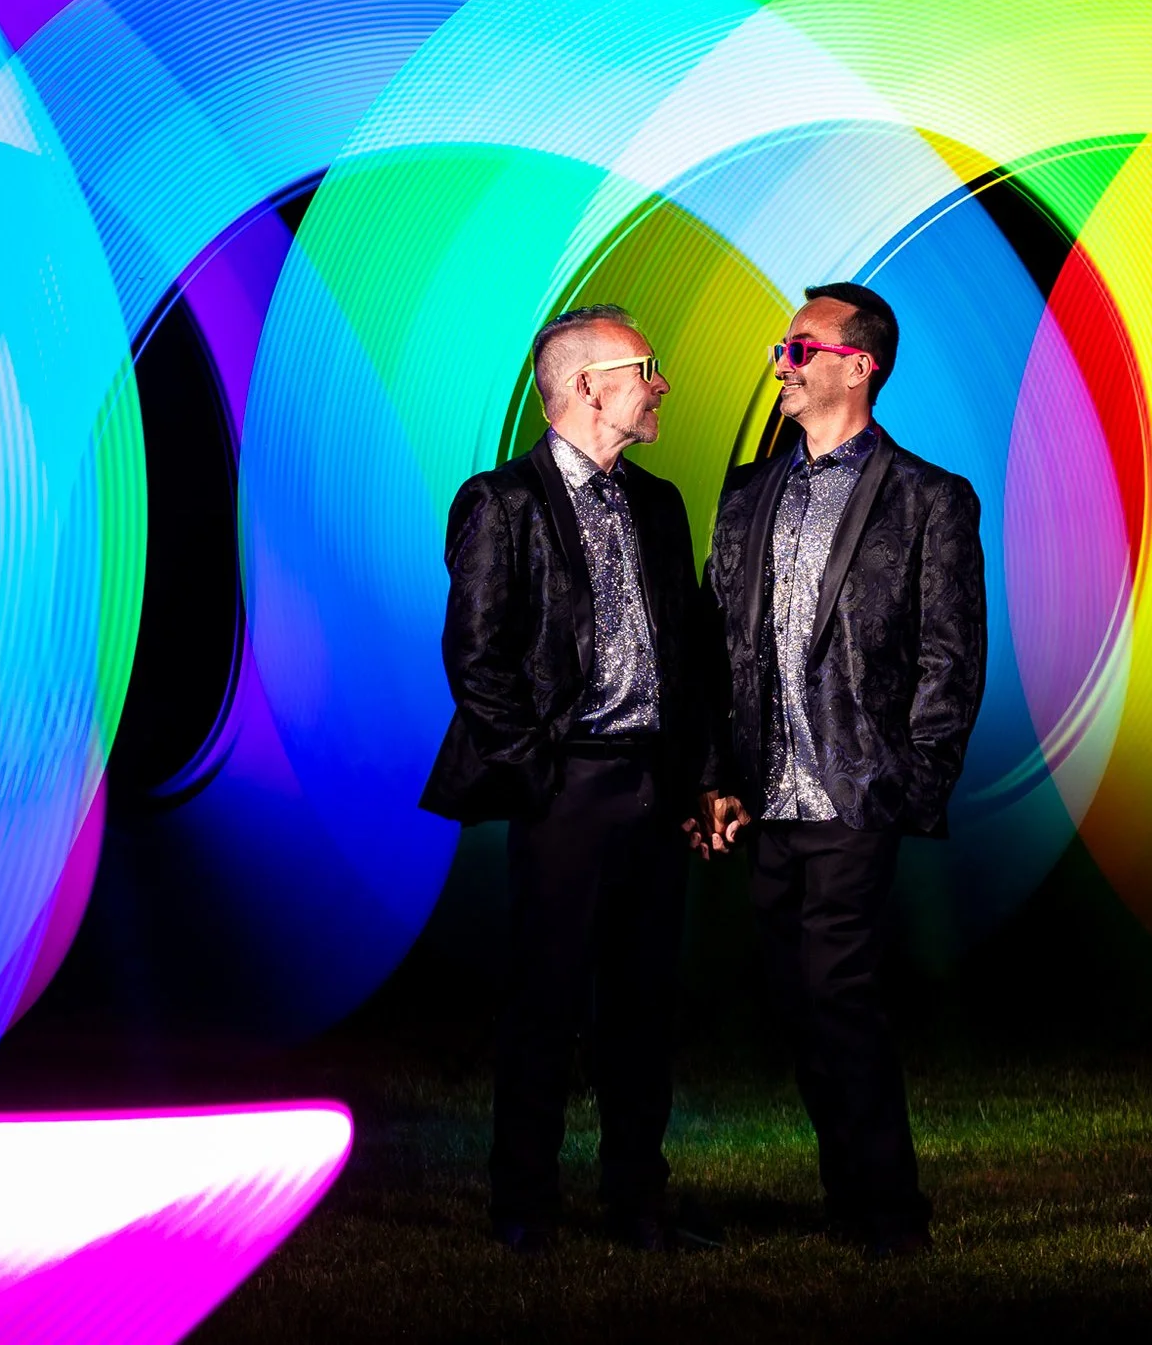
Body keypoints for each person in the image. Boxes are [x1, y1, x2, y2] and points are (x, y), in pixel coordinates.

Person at [420, 303, 723, 1255]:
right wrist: (538, 776)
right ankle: (526, 1207)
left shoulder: (661, 502)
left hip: (651, 784)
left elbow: (694, 655)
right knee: (545, 1002)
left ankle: (640, 1206)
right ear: (590, 385)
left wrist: (699, 776)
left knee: (642, 1005)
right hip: (567, 789)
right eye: (648, 365)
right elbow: (475, 657)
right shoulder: (501, 501)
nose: (661, 382)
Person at [694, 281, 986, 1258]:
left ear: (859, 362)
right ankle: (849, 1195)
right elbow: (715, 641)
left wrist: (912, 780)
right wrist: (713, 771)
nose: (783, 363)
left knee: (838, 988)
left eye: (800, 347)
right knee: (792, 995)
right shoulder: (749, 490)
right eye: (782, 349)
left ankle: (889, 1213)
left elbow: (950, 655)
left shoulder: (929, 498)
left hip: (854, 791)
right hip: (765, 790)